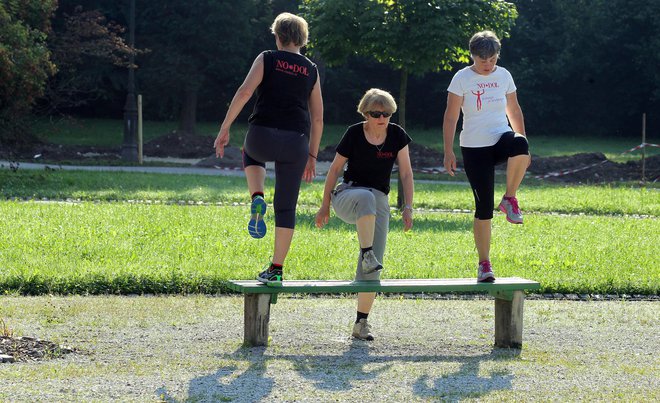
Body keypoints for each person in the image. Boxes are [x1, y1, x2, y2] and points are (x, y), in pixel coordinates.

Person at [214, 12, 323, 286]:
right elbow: (318, 117)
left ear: (278, 36)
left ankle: (257, 195)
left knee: (250, 153)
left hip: (261, 136)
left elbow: (244, 92)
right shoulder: (311, 69)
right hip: (296, 143)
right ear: (303, 39)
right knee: (286, 207)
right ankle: (276, 269)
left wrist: (225, 127)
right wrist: (312, 155)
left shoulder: (268, 58)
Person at [316, 88, 414, 341]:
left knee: (373, 267)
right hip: (349, 195)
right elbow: (335, 169)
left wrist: (408, 208)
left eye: (387, 113)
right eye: (376, 113)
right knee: (367, 197)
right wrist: (324, 204)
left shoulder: (396, 135)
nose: (382, 118)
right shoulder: (353, 133)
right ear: (365, 113)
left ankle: (361, 323)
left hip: (378, 201)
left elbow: (406, 173)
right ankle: (366, 252)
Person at [442, 30, 531, 283]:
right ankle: (484, 264)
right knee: (483, 208)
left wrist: (523, 145)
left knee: (519, 144)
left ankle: (510, 198)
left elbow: (513, 108)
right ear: (473, 56)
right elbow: (451, 116)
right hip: (474, 147)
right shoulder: (461, 78)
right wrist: (449, 150)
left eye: (492, 59)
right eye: (483, 61)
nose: (488, 65)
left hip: (500, 136)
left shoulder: (504, 75)